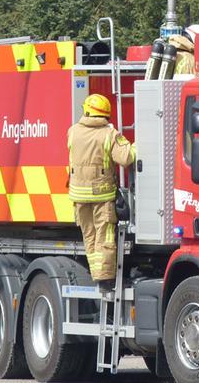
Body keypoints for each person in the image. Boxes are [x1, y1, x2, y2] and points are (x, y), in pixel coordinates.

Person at [67, 94, 136, 292]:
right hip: (101, 195)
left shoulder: (72, 132)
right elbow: (126, 158)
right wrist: (137, 146)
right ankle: (105, 281)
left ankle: (97, 275)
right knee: (104, 239)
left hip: (78, 196)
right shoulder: (109, 134)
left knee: (89, 236)